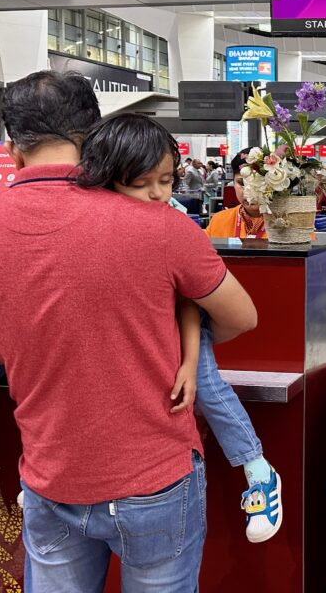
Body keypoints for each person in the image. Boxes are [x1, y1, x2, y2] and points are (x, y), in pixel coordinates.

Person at [0, 70, 258, 590]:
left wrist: (37, 338)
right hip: (155, 474)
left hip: (50, 476)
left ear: (11, 147)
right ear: (94, 136)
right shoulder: (163, 225)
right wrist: (169, 347)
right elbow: (241, 316)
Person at [79, 114, 283, 544]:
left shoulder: (173, 222)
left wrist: (190, 361)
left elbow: (192, 306)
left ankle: (258, 470)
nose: (156, 193)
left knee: (207, 384)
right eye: (139, 183)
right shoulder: (92, 220)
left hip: (181, 321)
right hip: (135, 330)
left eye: (166, 181)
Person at [206, 148, 268, 239]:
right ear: (233, 183)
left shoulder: (291, 225)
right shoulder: (218, 221)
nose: (249, 191)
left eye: (258, 183)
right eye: (242, 183)